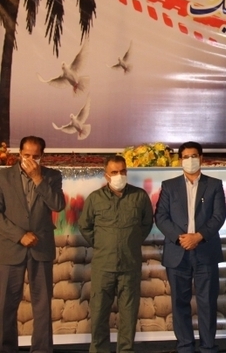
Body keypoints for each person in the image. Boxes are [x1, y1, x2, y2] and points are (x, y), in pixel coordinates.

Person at [155, 142, 226, 353]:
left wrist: (199, 236)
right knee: (179, 302)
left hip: (206, 251)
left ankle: (208, 346)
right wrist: (181, 239)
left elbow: (219, 216)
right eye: (186, 157)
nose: (190, 160)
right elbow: (161, 217)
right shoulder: (169, 186)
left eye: (194, 156)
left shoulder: (214, 185)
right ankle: (185, 346)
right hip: (178, 253)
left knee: (207, 303)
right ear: (180, 160)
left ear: (201, 158)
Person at [78, 155, 153, 353]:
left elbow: (146, 223)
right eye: (114, 172)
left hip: (130, 265)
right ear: (106, 175)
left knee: (128, 314)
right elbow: (84, 226)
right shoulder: (95, 198)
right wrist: (102, 244)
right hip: (103, 266)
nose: (119, 175)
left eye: (123, 171)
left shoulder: (139, 196)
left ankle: (126, 350)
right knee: (99, 313)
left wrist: (131, 242)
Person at [0, 136, 65, 353]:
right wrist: (20, 235)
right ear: (19, 154)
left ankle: (42, 349)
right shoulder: (3, 176)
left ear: (42, 156)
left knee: (42, 306)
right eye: (26, 155)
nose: (30, 159)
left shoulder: (52, 176)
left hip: (41, 247)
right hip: (11, 248)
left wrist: (38, 178)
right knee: (5, 306)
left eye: (35, 156)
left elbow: (58, 205)